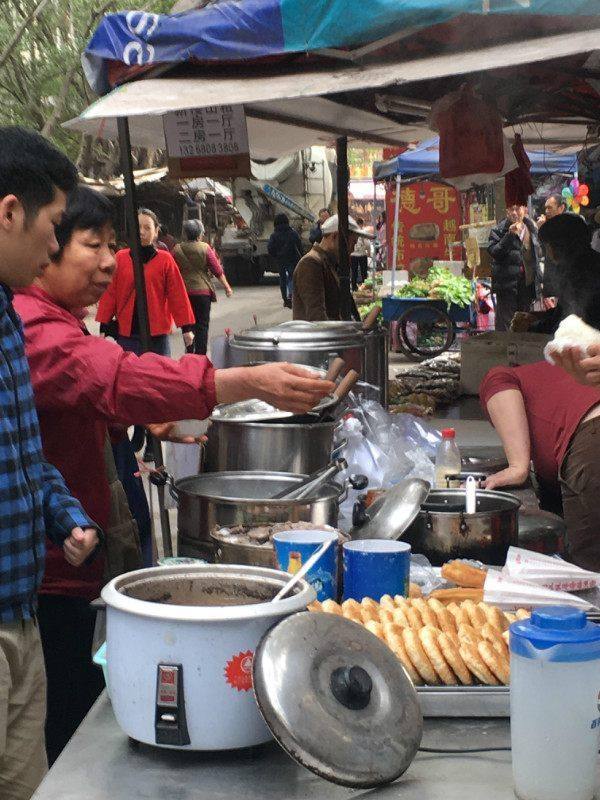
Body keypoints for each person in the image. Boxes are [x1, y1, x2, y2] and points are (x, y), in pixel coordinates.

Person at [13, 185, 337, 768]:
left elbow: (84, 401)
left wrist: (135, 428)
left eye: (114, 245)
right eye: (92, 243)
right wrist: (247, 381)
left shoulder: (60, 320)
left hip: (74, 553)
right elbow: (109, 378)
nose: (112, 261)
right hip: (50, 575)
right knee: (62, 723)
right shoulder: (31, 325)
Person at [0, 126, 100, 800]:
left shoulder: (6, 315)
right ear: (10, 213)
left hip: (20, 616)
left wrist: (61, 514)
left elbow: (23, 448)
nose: (54, 247)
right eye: (58, 227)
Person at [480, 361, 600, 570]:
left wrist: (518, 465)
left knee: (590, 574)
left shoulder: (511, 376)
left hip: (593, 436)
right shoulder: (560, 382)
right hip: (589, 440)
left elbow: (497, 380)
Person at [96, 207, 195, 358]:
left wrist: (186, 329)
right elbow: (110, 293)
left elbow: (177, 295)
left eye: (147, 228)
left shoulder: (165, 260)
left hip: (157, 335)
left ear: (156, 232)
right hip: (128, 334)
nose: (141, 232)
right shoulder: (120, 258)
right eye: (137, 227)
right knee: (131, 378)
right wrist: (104, 324)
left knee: (161, 377)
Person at [512, 213, 600, 335]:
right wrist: (536, 318)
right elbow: (562, 311)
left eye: (548, 246)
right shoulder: (586, 263)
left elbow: (567, 324)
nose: (548, 252)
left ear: (560, 247)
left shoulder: (580, 275)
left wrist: (530, 327)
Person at [293, 214, 372, 322]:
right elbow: (317, 317)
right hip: (318, 337)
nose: (352, 249)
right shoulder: (311, 263)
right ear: (335, 237)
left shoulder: (329, 262)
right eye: (352, 243)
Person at [173, 219, 233, 355]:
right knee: (202, 325)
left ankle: (189, 352)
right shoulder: (205, 248)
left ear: (185, 234)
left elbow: (171, 270)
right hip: (202, 293)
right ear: (199, 233)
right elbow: (217, 270)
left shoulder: (176, 250)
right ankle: (201, 355)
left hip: (185, 293)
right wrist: (227, 287)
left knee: (187, 325)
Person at [488, 204, 541, 331]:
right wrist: (509, 235)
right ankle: (504, 350)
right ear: (507, 212)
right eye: (511, 209)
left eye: (517, 209)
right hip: (506, 286)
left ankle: (522, 350)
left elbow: (538, 253)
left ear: (525, 210)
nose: (514, 212)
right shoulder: (499, 230)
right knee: (506, 325)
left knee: (524, 322)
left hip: (526, 285)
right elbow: (494, 252)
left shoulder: (531, 227)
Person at [267, 213, 303, 308]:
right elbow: (299, 246)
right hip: (292, 259)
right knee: (292, 277)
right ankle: (292, 295)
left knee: (282, 279)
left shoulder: (274, 235)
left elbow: (270, 248)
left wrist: (276, 255)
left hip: (281, 261)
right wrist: (302, 257)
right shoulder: (293, 233)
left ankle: (285, 299)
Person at [537, 193, 566, 304]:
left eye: (550, 208)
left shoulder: (569, 225)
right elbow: (541, 252)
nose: (546, 211)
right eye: (546, 208)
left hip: (564, 279)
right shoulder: (548, 225)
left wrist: (543, 230)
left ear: (561, 208)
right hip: (552, 279)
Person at [350, 217, 372, 290]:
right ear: (362, 224)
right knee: (363, 273)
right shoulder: (363, 232)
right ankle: (365, 287)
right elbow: (367, 244)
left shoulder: (352, 232)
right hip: (362, 255)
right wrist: (369, 252)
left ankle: (353, 288)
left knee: (354, 272)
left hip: (353, 255)